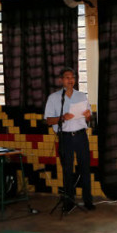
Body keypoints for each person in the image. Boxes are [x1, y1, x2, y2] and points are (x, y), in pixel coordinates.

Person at [44, 68, 94, 211]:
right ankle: (69, 201)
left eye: (72, 77)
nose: (70, 80)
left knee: (85, 168)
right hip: (65, 137)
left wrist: (88, 115)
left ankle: (88, 201)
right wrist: (62, 118)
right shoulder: (54, 98)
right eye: (67, 77)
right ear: (61, 80)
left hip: (81, 136)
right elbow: (48, 121)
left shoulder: (82, 96)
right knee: (67, 170)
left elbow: (89, 118)